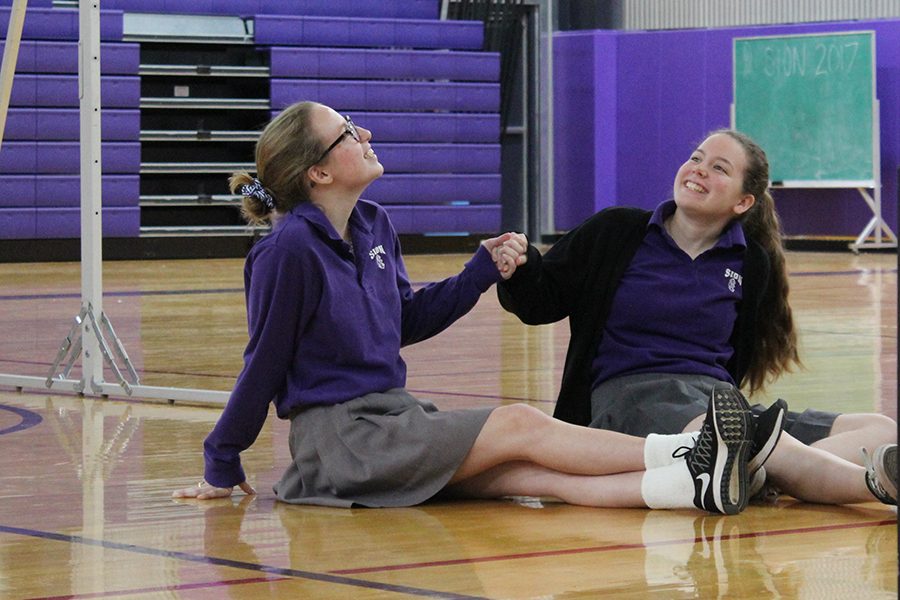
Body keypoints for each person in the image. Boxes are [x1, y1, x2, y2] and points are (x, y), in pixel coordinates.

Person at [172, 103, 785, 515]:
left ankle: (691, 488)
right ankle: (691, 453)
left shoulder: (373, 226)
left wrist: (478, 273)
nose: (363, 136)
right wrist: (221, 458)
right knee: (520, 425)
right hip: (341, 441)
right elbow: (264, 363)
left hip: (394, 417)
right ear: (320, 172)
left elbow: (404, 323)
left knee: (525, 477)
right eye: (347, 135)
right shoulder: (286, 252)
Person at [497, 129, 897, 506]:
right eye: (696, 158)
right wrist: (520, 266)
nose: (699, 169)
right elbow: (539, 302)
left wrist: (729, 413)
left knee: (880, 429)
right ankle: (872, 486)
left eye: (719, 168)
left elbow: (738, 353)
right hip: (631, 398)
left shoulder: (751, 262)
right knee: (751, 441)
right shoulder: (616, 231)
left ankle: (753, 472)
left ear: (743, 202)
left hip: (716, 401)